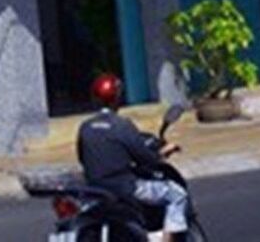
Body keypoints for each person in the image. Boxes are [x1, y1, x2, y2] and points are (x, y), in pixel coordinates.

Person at [76, 72, 188, 240]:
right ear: (117, 97)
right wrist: (161, 153)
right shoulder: (121, 125)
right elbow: (144, 157)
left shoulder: (85, 127)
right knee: (177, 194)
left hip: (95, 190)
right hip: (126, 188)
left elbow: (82, 157)